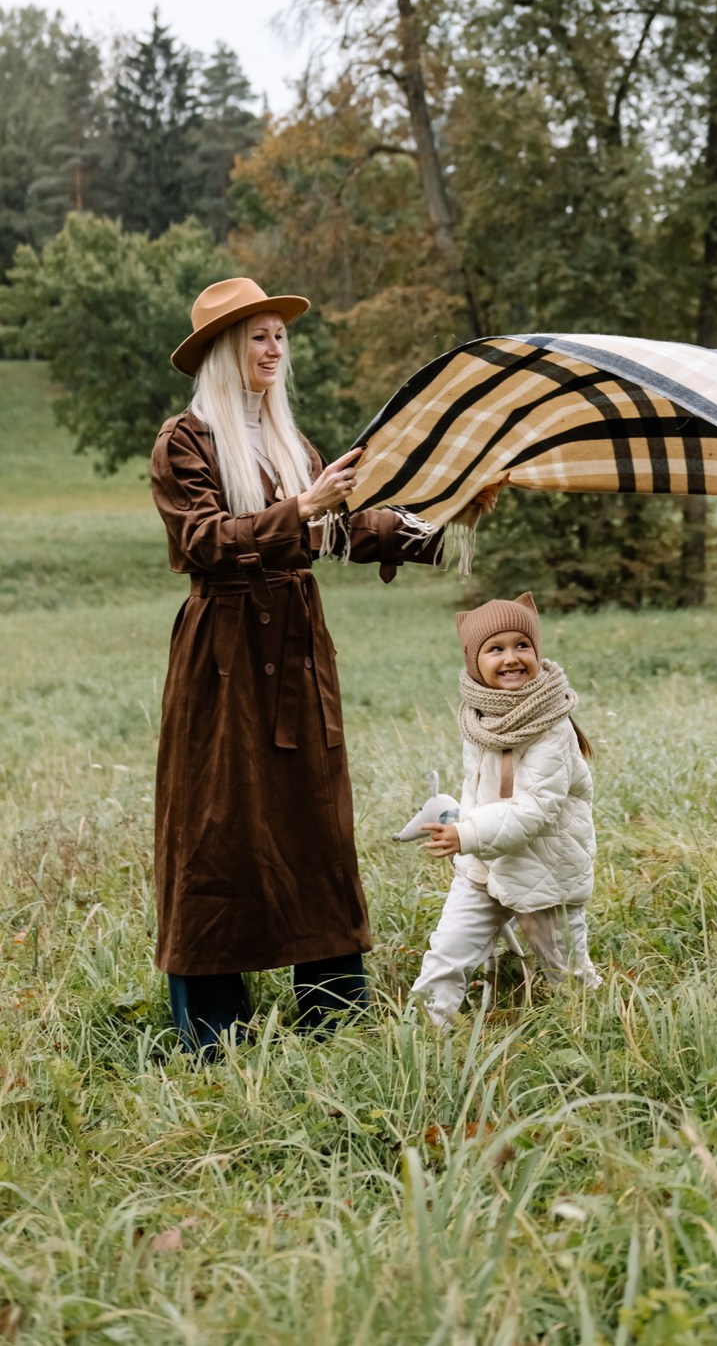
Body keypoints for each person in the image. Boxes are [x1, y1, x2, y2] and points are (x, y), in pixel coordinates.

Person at [151, 276, 478, 1053]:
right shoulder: (185, 440)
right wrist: (300, 508)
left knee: (314, 825)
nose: (274, 350)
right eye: (258, 337)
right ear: (224, 350)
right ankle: (214, 1030)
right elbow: (200, 540)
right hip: (223, 658)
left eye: (279, 336)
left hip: (298, 655)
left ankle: (334, 1012)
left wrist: (442, 518)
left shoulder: (291, 442)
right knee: (216, 828)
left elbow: (342, 531)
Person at [408, 591, 600, 1025]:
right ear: (475, 661)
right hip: (482, 865)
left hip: (544, 869)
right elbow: (477, 790)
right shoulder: (478, 718)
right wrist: (465, 832)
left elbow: (537, 806)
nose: (511, 657)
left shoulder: (552, 726)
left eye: (522, 645)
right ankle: (422, 1032)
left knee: (567, 971)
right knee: (448, 951)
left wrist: (467, 834)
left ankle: (592, 1030)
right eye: (495, 649)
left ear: (537, 651)